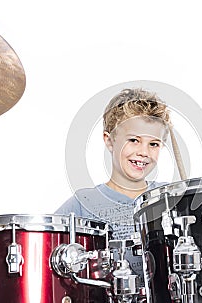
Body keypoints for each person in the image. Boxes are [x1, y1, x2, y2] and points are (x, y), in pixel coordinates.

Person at [55, 87, 171, 278]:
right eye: (134, 140)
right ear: (109, 141)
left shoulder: (169, 198)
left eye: (154, 144)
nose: (144, 152)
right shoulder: (83, 204)